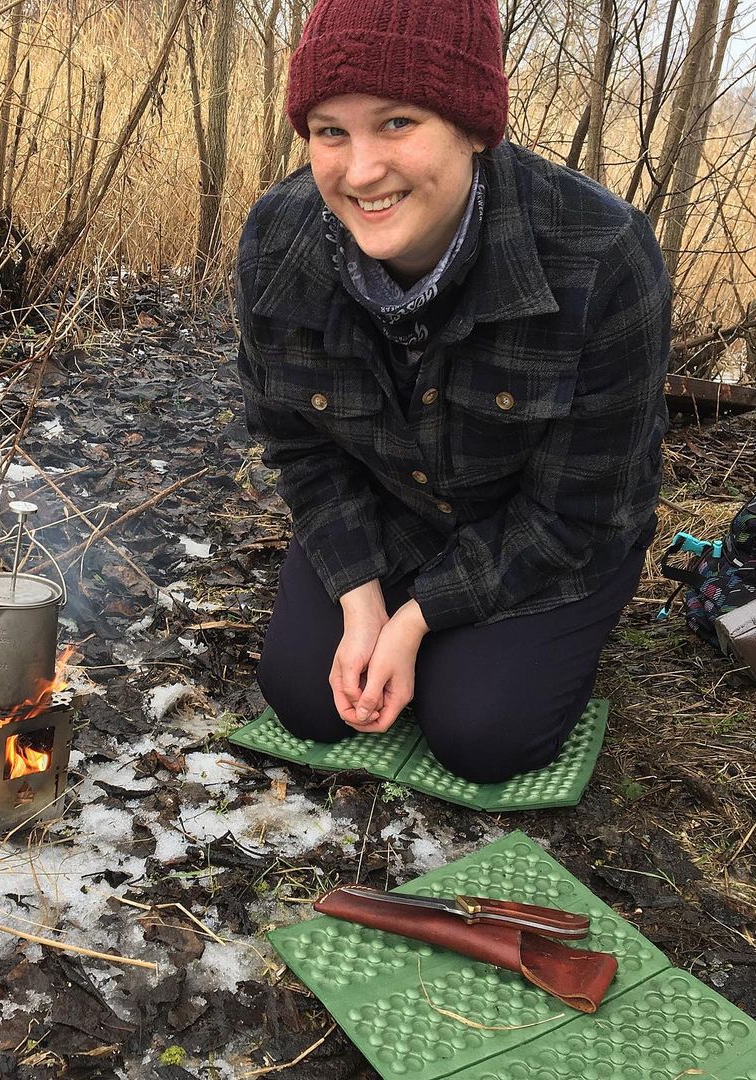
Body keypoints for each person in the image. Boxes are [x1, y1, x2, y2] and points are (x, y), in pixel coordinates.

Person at [235, 0, 670, 783]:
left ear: (473, 126)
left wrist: (415, 622)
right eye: (331, 131)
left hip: (544, 535)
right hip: (388, 510)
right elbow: (296, 443)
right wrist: (363, 599)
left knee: (480, 735)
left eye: (398, 122)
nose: (360, 171)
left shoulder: (601, 256)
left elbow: (579, 509)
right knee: (305, 698)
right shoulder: (277, 238)